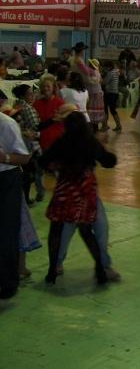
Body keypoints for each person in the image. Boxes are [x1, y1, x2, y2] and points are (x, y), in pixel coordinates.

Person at [40, 112, 117, 285]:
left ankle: (53, 269)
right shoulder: (90, 142)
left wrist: (56, 165)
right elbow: (109, 161)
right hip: (84, 188)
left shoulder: (62, 142)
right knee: (86, 230)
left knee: (57, 231)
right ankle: (100, 269)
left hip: (65, 187)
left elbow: (43, 160)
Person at [0, 111, 31, 300]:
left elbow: (24, 157)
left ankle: (8, 282)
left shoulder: (7, 124)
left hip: (6, 179)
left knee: (6, 231)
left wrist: (4, 158)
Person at [12, 84, 42, 205]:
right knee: (30, 172)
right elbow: (35, 126)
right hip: (28, 143)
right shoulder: (27, 108)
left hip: (19, 143)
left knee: (27, 171)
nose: (33, 95)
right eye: (30, 93)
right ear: (23, 96)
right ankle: (26, 198)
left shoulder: (16, 106)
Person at [101, 60, 122, 132]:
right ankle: (118, 126)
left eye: (105, 67)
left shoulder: (111, 73)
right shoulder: (116, 72)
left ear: (108, 67)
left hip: (110, 93)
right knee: (113, 110)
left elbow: (105, 82)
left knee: (106, 110)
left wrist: (100, 79)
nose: (105, 69)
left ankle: (105, 126)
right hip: (115, 93)